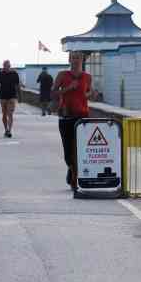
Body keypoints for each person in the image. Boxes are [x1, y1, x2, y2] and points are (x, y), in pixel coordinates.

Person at [53, 52, 92, 192]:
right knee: (68, 150)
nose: (75, 60)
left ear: (82, 60)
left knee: (80, 149)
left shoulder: (87, 77)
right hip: (66, 116)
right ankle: (71, 171)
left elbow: (88, 92)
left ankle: (75, 178)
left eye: (78, 58)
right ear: (69, 59)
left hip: (82, 117)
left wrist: (90, 94)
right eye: (73, 58)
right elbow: (53, 93)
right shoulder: (62, 75)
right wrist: (68, 88)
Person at [0, 60, 22, 138]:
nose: (6, 67)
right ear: (3, 66)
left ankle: (9, 130)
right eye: (4, 66)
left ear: (9, 66)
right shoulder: (0, 74)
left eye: (7, 65)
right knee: (4, 114)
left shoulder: (14, 74)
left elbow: (18, 86)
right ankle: (6, 129)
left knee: (10, 114)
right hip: (3, 97)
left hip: (12, 96)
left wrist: (20, 96)